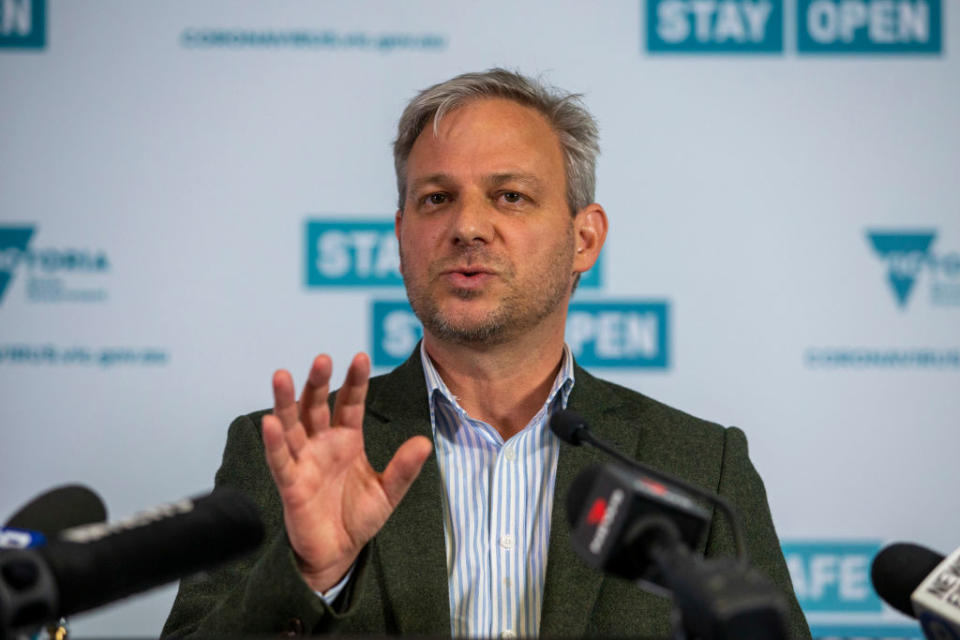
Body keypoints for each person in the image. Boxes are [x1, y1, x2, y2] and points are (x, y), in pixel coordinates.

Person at [162, 68, 811, 638]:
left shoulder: (699, 465)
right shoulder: (291, 453)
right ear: (401, 236)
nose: (467, 226)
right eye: (436, 199)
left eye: (510, 196)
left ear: (584, 238)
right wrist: (307, 575)